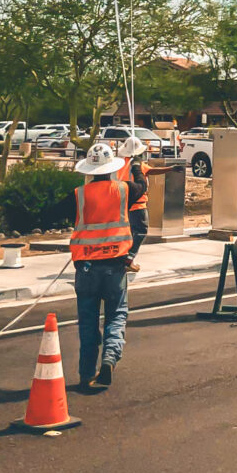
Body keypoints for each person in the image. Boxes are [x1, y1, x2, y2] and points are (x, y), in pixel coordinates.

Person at [71, 143, 146, 390]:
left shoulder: (79, 194)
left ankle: (86, 373)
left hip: (86, 268)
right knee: (116, 315)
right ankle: (110, 359)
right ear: (111, 167)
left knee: (87, 321)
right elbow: (142, 188)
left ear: (89, 170)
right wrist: (136, 165)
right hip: (114, 265)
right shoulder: (124, 190)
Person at [115, 137, 178, 272]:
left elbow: (149, 171)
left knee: (131, 233)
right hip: (138, 204)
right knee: (141, 231)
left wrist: (170, 168)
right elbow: (151, 171)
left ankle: (124, 258)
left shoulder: (122, 164)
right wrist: (170, 169)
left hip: (125, 203)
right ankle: (129, 259)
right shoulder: (136, 165)